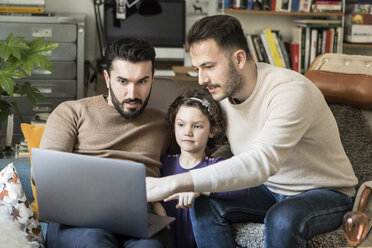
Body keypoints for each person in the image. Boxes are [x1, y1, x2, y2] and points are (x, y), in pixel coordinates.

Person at [146, 15, 358, 248]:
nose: (201, 79)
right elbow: (230, 155)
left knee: (281, 218)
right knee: (204, 204)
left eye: (209, 67)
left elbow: (261, 162)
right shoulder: (223, 97)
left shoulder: (289, 91)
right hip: (268, 188)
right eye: (197, 68)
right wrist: (201, 185)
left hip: (325, 193)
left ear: (239, 58)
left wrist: (179, 182)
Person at [39, 38, 171, 248]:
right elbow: (46, 175)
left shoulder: (166, 122)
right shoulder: (72, 112)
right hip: (79, 218)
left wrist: (161, 199)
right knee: (95, 243)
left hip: (141, 217)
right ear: (107, 78)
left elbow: (202, 161)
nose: (132, 94)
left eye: (142, 81)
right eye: (123, 81)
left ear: (153, 78)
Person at [161, 89, 250, 248]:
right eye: (181, 124)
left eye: (197, 126)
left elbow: (242, 189)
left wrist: (199, 186)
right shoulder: (164, 164)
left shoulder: (216, 166)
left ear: (212, 130)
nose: (187, 132)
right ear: (174, 126)